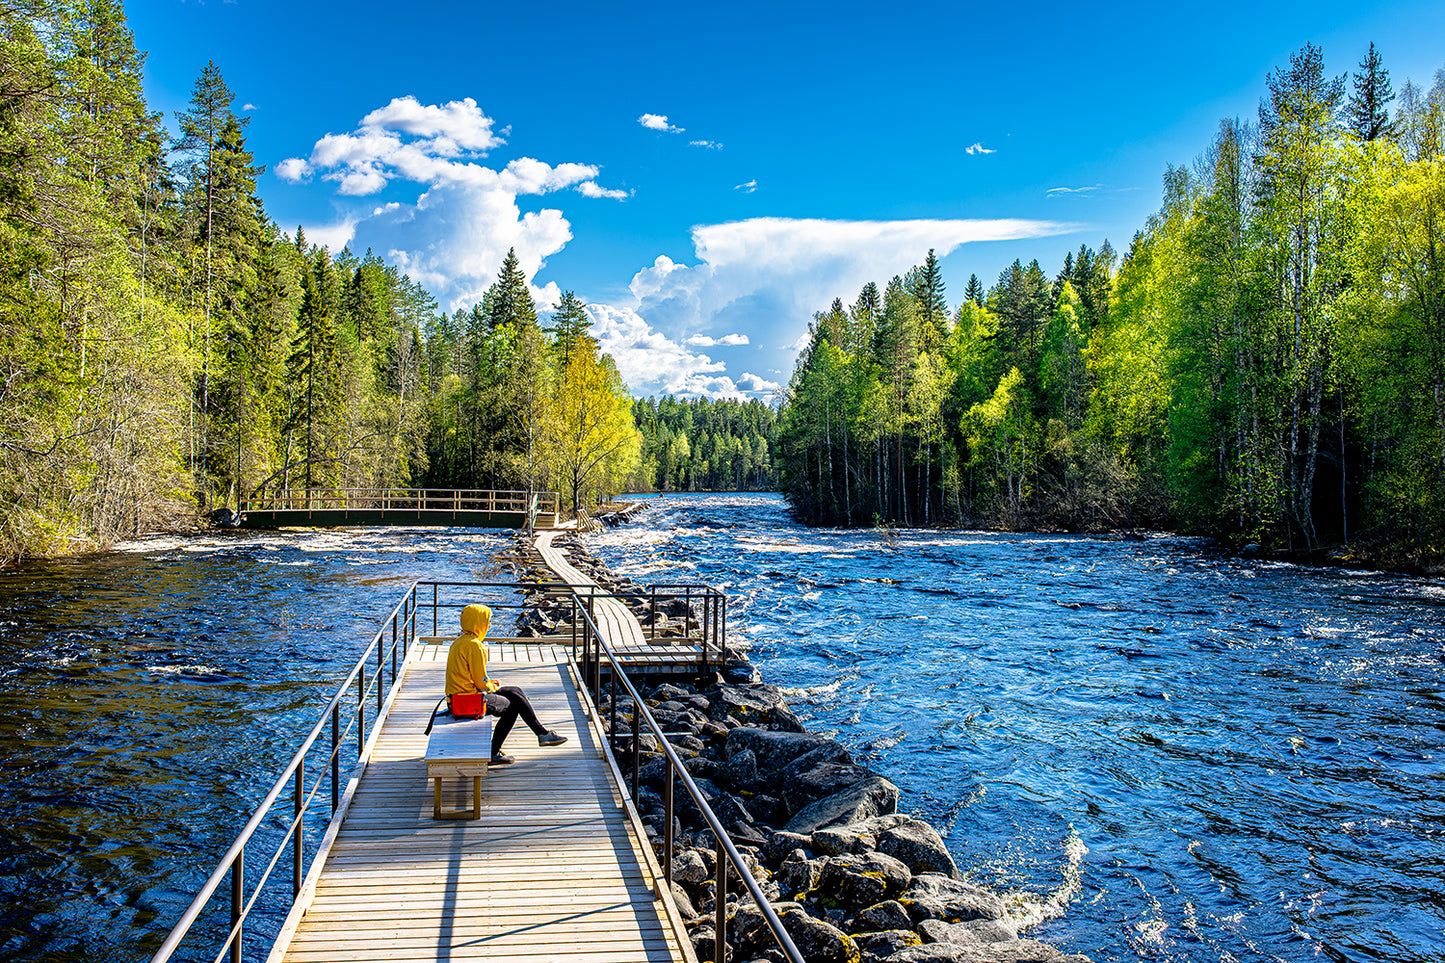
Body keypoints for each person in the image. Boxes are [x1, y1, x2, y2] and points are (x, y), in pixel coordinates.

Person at [446, 603, 568, 764]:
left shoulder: (460, 642)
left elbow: (473, 678)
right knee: (512, 707)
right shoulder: (475, 646)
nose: (489, 625)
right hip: (467, 702)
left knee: (514, 690)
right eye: (487, 621)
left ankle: (542, 734)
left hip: (458, 698)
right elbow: (482, 684)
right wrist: (491, 686)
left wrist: (490, 684)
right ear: (478, 622)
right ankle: (493, 753)